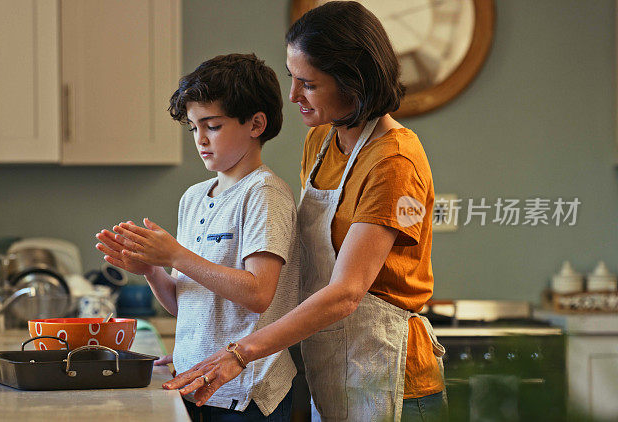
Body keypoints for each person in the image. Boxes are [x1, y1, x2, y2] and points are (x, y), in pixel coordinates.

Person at [161, 2, 447, 421]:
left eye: (308, 84)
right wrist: (196, 350)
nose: (293, 95)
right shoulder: (321, 144)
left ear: (354, 82)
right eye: (293, 78)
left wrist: (241, 353)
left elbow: (347, 291)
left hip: (392, 377)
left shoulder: (394, 161)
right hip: (329, 369)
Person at [95, 53, 300, 421]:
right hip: (196, 386)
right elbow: (187, 308)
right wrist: (152, 270)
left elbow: (258, 294)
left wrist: (175, 256)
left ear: (256, 124)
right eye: (193, 128)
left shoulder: (265, 194)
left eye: (213, 126)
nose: (200, 139)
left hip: (246, 394)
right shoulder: (193, 198)